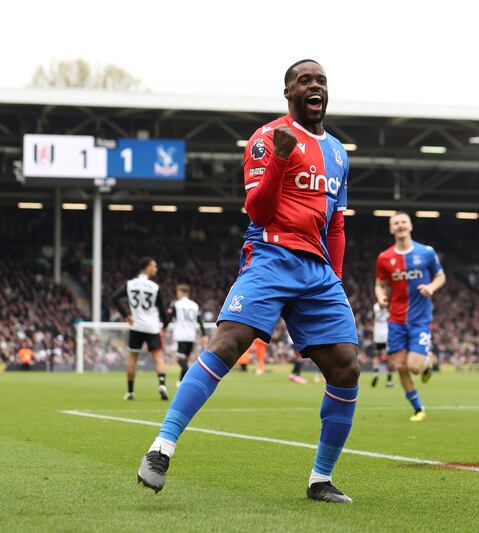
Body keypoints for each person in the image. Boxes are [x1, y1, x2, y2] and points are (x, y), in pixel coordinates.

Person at [136, 59, 360, 504]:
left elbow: (335, 224)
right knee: (228, 342)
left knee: (347, 366)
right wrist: (279, 156)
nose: (315, 86)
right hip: (271, 252)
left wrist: (334, 281)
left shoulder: (338, 152)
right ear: (289, 93)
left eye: (321, 81)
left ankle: (320, 479)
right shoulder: (266, 139)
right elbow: (257, 210)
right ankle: (161, 447)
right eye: (305, 80)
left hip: (317, 269)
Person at [375, 212, 445, 421]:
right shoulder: (384, 258)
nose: (400, 225)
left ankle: (427, 360)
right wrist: (380, 297)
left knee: (415, 367)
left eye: (403, 222)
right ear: (391, 229)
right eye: (395, 223)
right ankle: (418, 409)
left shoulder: (426, 252)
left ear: (410, 226)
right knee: (400, 366)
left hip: (420, 319)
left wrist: (431, 287)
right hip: (395, 319)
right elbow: (379, 284)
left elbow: (441, 276)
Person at [111, 257, 168, 401]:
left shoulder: (130, 284)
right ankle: (162, 385)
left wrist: (126, 315)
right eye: (154, 266)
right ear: (147, 267)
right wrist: (165, 326)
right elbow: (162, 311)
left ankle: (130, 392)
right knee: (159, 358)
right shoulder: (155, 287)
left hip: (136, 326)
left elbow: (114, 298)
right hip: (152, 327)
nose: (156, 269)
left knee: (132, 359)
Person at [169, 284, 208, 387]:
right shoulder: (194, 305)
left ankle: (190, 376)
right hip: (191, 336)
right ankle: (181, 381)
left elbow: (169, 318)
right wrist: (204, 334)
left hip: (180, 335)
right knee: (185, 359)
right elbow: (200, 321)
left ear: (181, 292)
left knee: (180, 359)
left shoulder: (176, 304)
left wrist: (164, 328)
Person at [371, 301, 394, 387]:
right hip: (386, 332)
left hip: (377, 333)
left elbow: (373, 319)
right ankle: (389, 381)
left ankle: (376, 373)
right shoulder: (388, 306)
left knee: (377, 355)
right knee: (390, 357)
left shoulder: (375, 306)